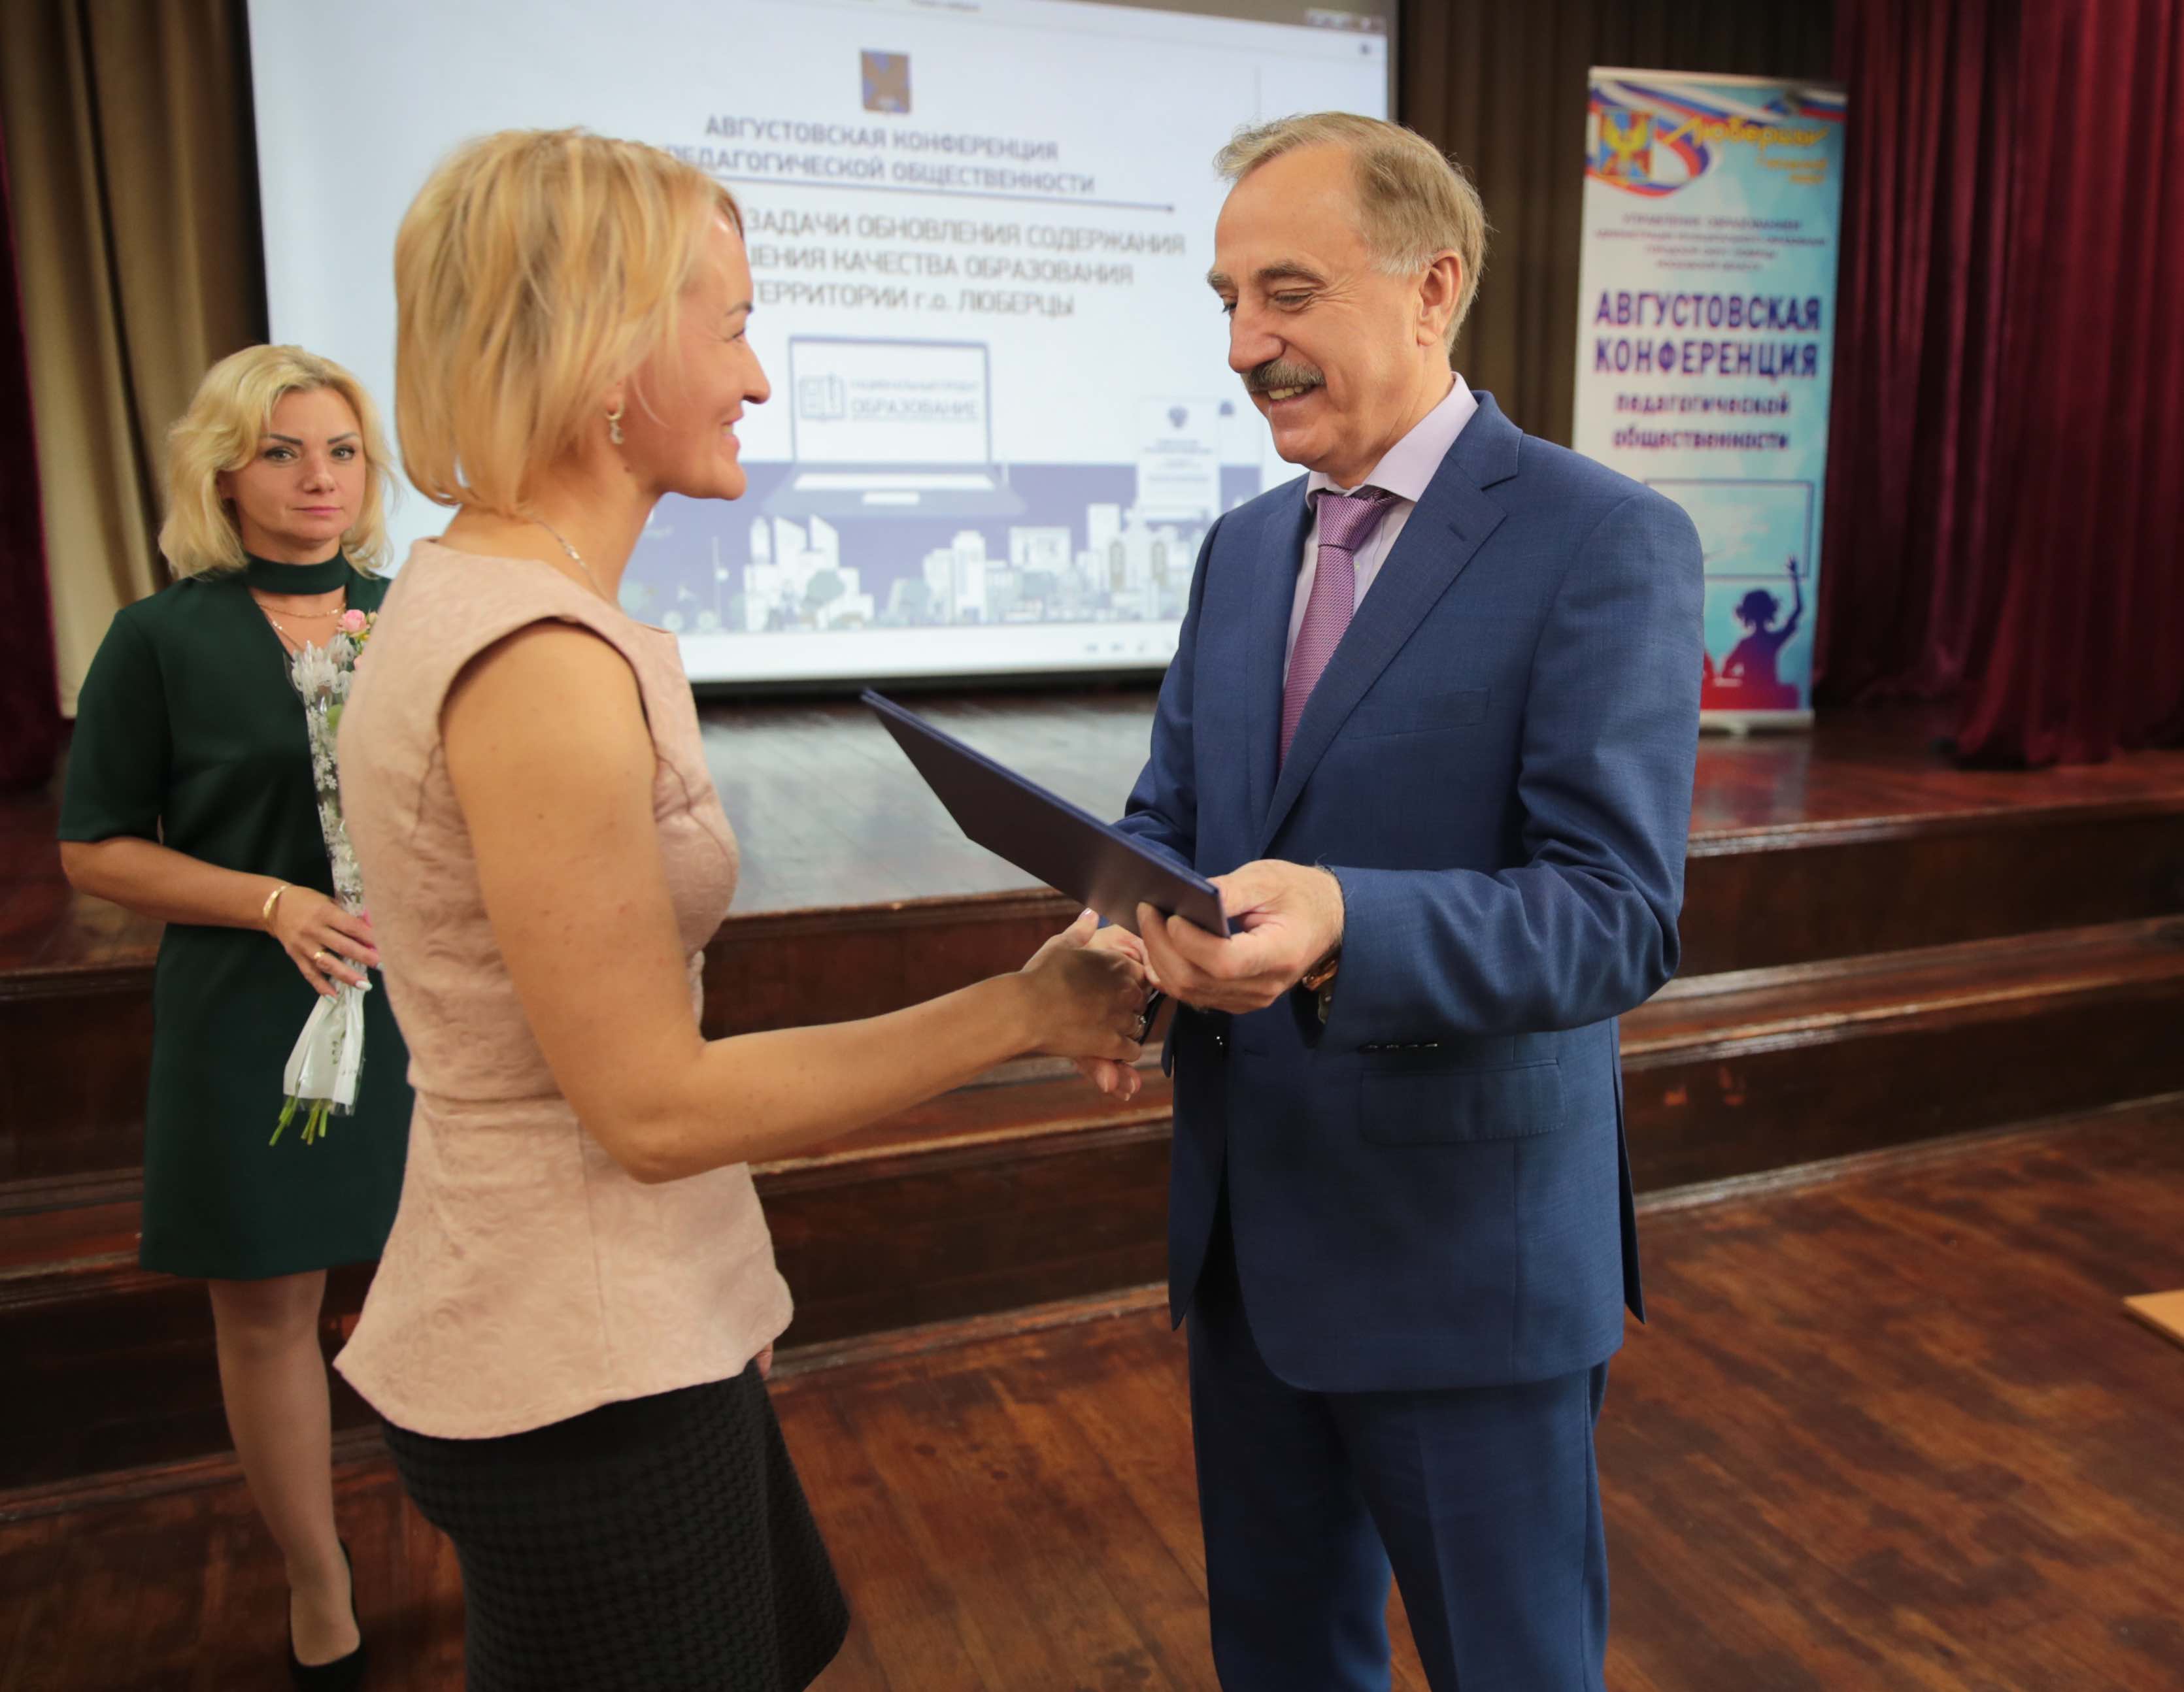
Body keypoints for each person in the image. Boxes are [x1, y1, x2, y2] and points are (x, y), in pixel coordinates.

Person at [333, 128, 1148, 1692]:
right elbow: (650, 1105)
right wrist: (1027, 1006)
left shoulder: (484, 597)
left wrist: (708, 1279)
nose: (758, 379)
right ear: (607, 356)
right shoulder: (540, 663)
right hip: (582, 1366)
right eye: (731, 329)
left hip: (609, 1317)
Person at [1077, 113, 1704, 1691]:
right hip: (1248, 1249)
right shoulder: (1239, 551)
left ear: (1434, 289)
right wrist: (1122, 927)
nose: (1245, 344)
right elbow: (1171, 818)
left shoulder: (1603, 537)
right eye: (1228, 299)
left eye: (1286, 294)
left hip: (1467, 1272)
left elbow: (1616, 913)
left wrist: (1348, 918)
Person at [58, 344, 412, 1687]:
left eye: (341, 451)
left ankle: (487, 1533)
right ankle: (318, 1578)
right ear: (222, 474)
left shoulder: (412, 617)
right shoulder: (161, 638)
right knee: (268, 1310)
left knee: (453, 1271)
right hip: (246, 1005)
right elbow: (94, 848)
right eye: (282, 451)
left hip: (419, 1000)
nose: (319, 477)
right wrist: (272, 903)